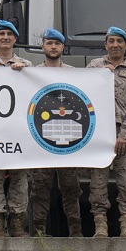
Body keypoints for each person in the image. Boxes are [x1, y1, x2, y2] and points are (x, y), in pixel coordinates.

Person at [86, 26, 126, 238]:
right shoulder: (94, 67)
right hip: (98, 133)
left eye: (120, 41)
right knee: (98, 183)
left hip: (124, 134)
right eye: (111, 41)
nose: (115, 45)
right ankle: (100, 226)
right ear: (105, 45)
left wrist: (125, 135)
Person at [29, 29, 86, 237]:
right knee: (40, 188)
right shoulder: (31, 73)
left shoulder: (74, 73)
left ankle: (76, 231)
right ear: (43, 46)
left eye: (57, 44)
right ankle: (39, 232)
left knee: (71, 188)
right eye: (49, 43)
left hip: (68, 141)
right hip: (42, 139)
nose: (53, 47)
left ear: (63, 47)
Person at [0, 20, 32, 238]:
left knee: (20, 178)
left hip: (18, 131)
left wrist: (24, 72)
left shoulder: (26, 65)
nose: (5, 38)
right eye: (1, 33)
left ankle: (17, 222)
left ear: (15, 39)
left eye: (9, 34)